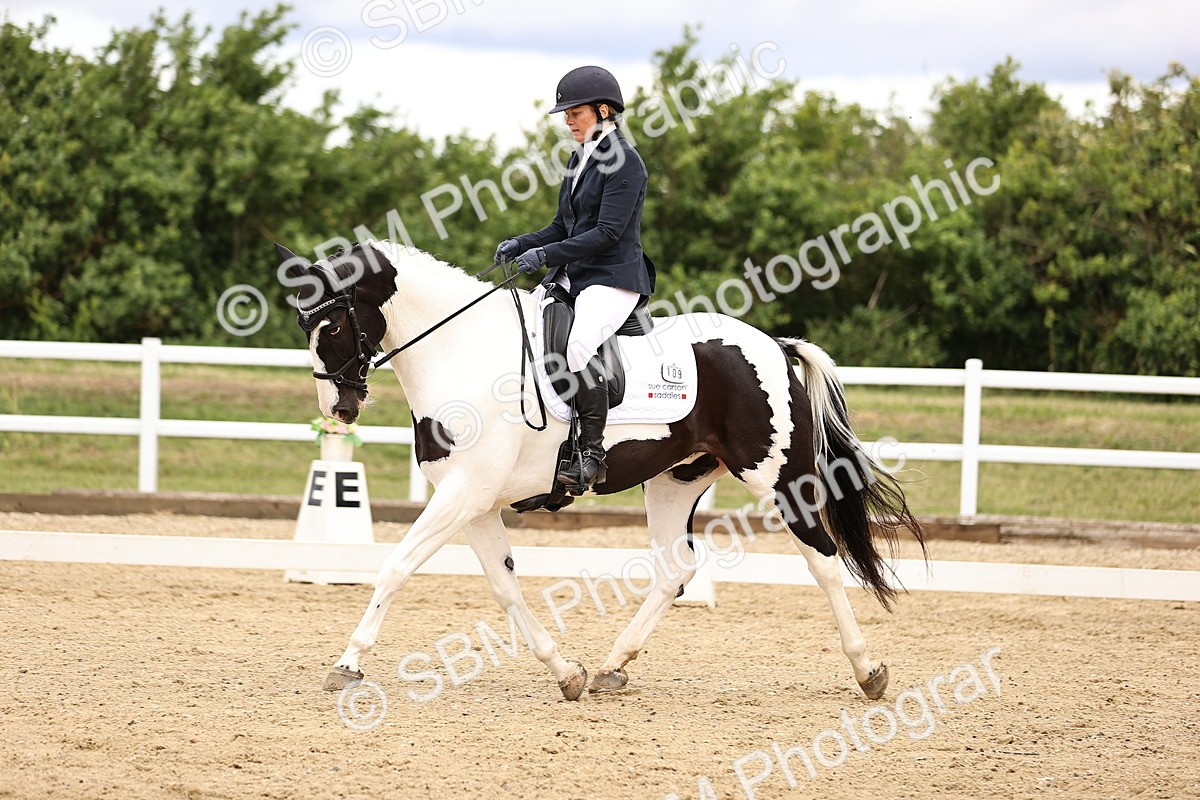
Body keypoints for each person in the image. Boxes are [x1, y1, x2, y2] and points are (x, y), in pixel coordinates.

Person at [494, 65, 655, 494]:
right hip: (575, 274)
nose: (568, 122)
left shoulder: (626, 161)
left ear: (603, 110)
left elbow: (606, 233)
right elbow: (562, 226)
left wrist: (545, 255)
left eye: (575, 113)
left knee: (579, 345)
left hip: (612, 277)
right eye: (566, 115)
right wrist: (523, 242)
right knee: (527, 329)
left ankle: (591, 454)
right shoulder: (578, 158)